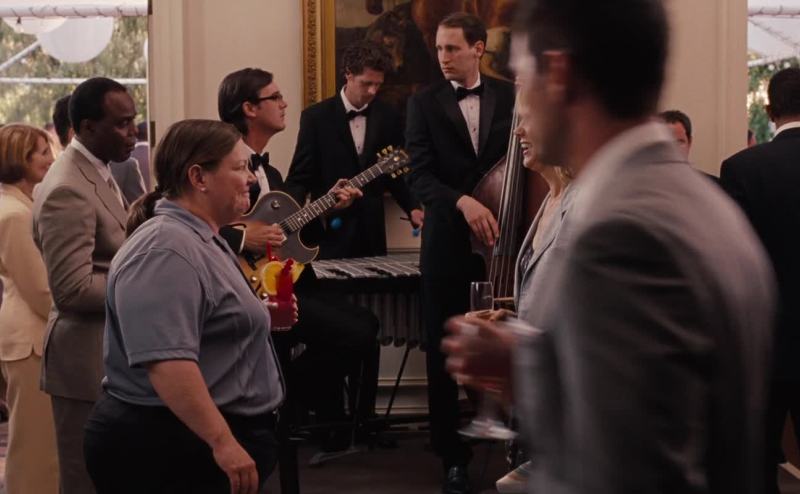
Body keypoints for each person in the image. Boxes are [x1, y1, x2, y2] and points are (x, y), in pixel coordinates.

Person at [443, 2, 775, 494]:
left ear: (559, 75)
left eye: (523, 80)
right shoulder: (704, 201)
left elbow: (626, 469)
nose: (519, 109)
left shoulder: (619, 231)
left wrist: (523, 379)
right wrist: (530, 364)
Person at [82, 119, 296, 494]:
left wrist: (255, 317)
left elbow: (202, 321)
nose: (250, 178)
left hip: (188, 441)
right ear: (199, 177)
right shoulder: (164, 249)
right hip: (168, 447)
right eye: (239, 167)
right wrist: (222, 442)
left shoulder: (199, 236)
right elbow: (167, 363)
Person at [217, 68, 382, 451]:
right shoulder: (221, 162)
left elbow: (288, 238)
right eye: (274, 97)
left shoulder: (272, 172)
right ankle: (286, 400)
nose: (284, 103)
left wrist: (328, 210)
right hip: (245, 290)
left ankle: (291, 401)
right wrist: (243, 236)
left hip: (285, 283)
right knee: (354, 332)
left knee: (367, 323)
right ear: (249, 108)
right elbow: (193, 221)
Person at [404, 11, 515, 493]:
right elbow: (419, 176)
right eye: (439, 48)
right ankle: (452, 457)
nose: (443, 57)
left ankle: (519, 444)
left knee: (507, 339)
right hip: (447, 243)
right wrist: (463, 201)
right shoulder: (422, 102)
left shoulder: (511, 96)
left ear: (478, 48)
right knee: (442, 348)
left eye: (452, 48)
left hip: (501, 242)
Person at [33, 77, 136, 494]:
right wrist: (142, 285)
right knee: (84, 481)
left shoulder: (97, 169)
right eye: (122, 124)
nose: (133, 133)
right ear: (88, 127)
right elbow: (72, 289)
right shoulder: (67, 187)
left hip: (106, 354)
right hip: (83, 360)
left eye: (134, 121)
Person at [720, 67, 800, 494]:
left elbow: (733, 263)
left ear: (769, 111)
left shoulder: (741, 169)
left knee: (756, 469)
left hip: (763, 345)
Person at [285, 40, 422, 259]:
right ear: (348, 74)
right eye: (366, 83)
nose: (372, 91)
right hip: (328, 235)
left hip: (372, 235)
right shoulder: (316, 117)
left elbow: (395, 175)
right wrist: (286, 223)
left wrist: (413, 207)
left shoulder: (389, 116)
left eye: (378, 84)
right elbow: (299, 178)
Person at [0, 124, 59, 493]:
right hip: (30, 338)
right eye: (41, 152)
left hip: (29, 335)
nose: (50, 158)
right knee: (35, 448)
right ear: (19, 158)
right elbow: (39, 290)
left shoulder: (23, 205)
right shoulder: (14, 214)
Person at [53, 94, 146, 204]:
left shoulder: (124, 167)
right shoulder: (62, 183)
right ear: (76, 133)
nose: (134, 130)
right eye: (122, 123)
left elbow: (140, 211)